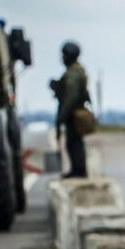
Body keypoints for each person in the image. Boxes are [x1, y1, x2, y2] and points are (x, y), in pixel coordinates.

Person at [50, 41, 89, 178]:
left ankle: (79, 171)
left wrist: (63, 115)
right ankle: (77, 170)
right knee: (73, 142)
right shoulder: (76, 70)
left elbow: (71, 97)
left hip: (73, 113)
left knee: (74, 143)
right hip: (74, 111)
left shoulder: (73, 73)